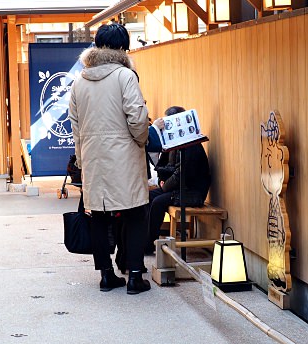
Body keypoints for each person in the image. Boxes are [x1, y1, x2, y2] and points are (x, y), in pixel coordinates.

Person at [68, 22, 151, 295]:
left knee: (99, 217)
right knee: (136, 212)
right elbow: (137, 117)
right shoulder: (126, 76)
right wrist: (141, 141)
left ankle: (106, 276)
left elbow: (75, 127)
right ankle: (135, 277)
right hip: (124, 155)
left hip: (94, 157)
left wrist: (82, 159)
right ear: (123, 48)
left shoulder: (79, 81)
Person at [144, 106, 212, 253]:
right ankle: (146, 241)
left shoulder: (191, 145)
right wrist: (162, 179)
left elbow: (182, 174)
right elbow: (167, 166)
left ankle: (148, 243)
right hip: (180, 188)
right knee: (147, 197)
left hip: (193, 192)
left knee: (157, 201)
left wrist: (164, 187)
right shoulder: (175, 142)